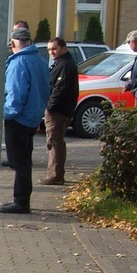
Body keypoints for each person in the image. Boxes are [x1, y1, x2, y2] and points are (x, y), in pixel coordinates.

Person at [0, 27, 50, 214]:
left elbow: (15, 95)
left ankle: (21, 201)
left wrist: (5, 114)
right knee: (24, 161)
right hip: (32, 117)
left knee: (19, 163)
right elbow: (46, 90)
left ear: (13, 43)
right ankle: (21, 199)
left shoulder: (18, 63)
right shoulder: (40, 60)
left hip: (18, 119)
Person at [41, 38, 79, 185]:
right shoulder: (61, 63)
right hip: (60, 109)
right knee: (55, 141)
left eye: (54, 49)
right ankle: (56, 174)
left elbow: (60, 89)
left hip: (58, 110)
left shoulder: (65, 65)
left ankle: (55, 175)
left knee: (54, 141)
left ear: (64, 48)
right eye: (49, 49)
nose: (51, 52)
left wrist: (50, 106)